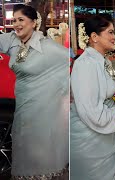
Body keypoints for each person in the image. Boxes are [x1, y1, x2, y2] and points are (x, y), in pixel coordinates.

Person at [0, 4, 69, 179]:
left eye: (21, 20)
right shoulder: (12, 41)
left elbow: (70, 59)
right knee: (22, 142)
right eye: (14, 20)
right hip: (22, 101)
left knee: (40, 144)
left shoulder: (47, 47)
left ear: (33, 23)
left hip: (43, 103)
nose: (16, 24)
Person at [70, 15, 115, 180]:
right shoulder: (86, 64)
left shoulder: (103, 61)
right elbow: (90, 110)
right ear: (94, 37)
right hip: (92, 143)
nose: (114, 37)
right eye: (109, 32)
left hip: (107, 136)